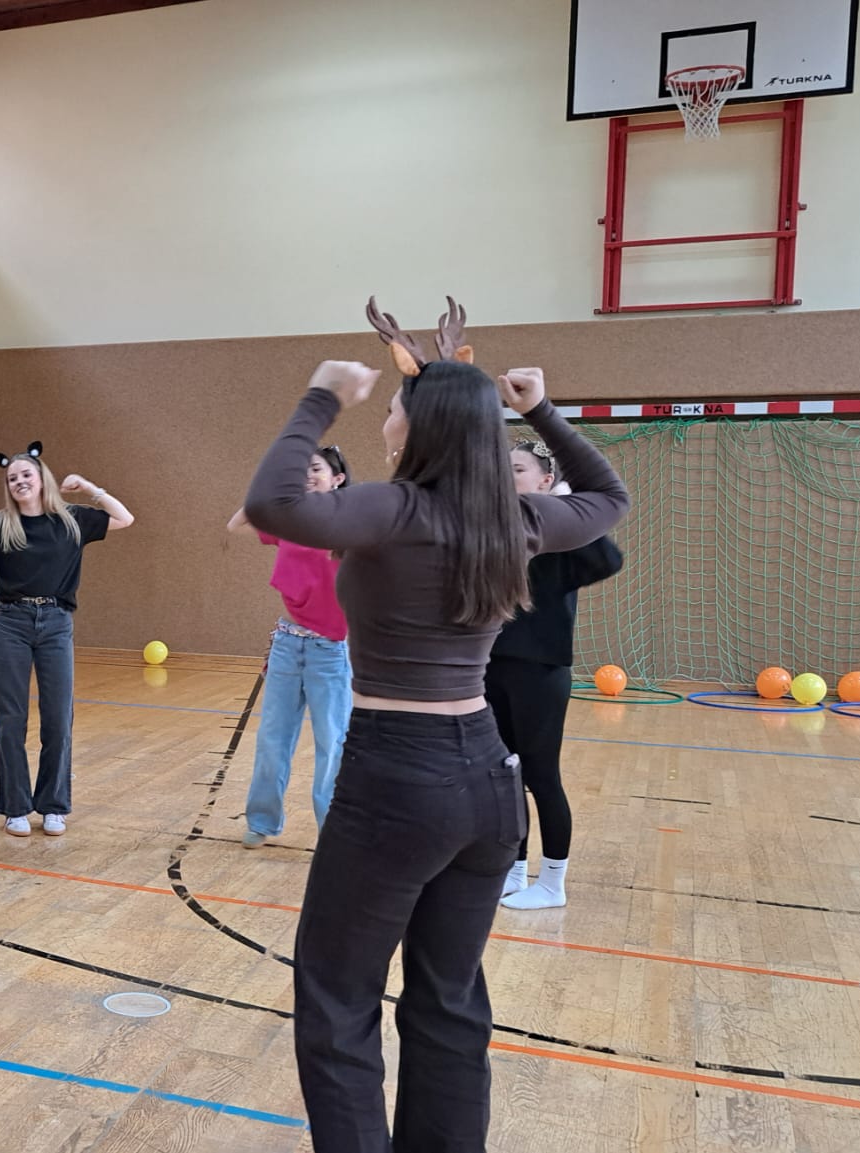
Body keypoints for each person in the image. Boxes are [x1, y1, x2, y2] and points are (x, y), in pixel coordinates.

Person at [243, 297, 628, 1152]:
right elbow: (610, 496)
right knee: (448, 1000)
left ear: (417, 429)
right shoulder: (516, 518)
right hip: (489, 779)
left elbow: (271, 501)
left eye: (392, 408)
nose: (384, 417)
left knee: (337, 997)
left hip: (396, 775)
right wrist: (540, 411)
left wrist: (320, 396)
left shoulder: (392, 510)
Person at [0, 442, 134, 837]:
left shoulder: (71, 520)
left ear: (42, 478)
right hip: (12, 623)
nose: (19, 482)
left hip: (56, 622)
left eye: (26, 474)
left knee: (58, 718)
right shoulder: (0, 525)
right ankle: (15, 808)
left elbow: (124, 518)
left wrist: (89, 488)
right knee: (11, 717)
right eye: (12, 479)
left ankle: (53, 806)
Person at [491, 439, 624, 911]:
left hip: (541, 670)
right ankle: (512, 868)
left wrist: (563, 509)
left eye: (518, 469)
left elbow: (608, 560)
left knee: (541, 775)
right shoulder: (499, 528)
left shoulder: (562, 532)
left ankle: (552, 882)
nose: (507, 476)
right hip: (492, 665)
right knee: (505, 772)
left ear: (545, 480)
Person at [226, 446, 353, 847]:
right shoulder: (289, 523)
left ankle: (334, 832)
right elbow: (238, 522)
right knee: (272, 738)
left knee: (332, 743)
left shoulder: (349, 526)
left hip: (330, 651)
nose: (307, 475)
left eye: (316, 469)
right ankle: (262, 821)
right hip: (287, 643)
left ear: (337, 479)